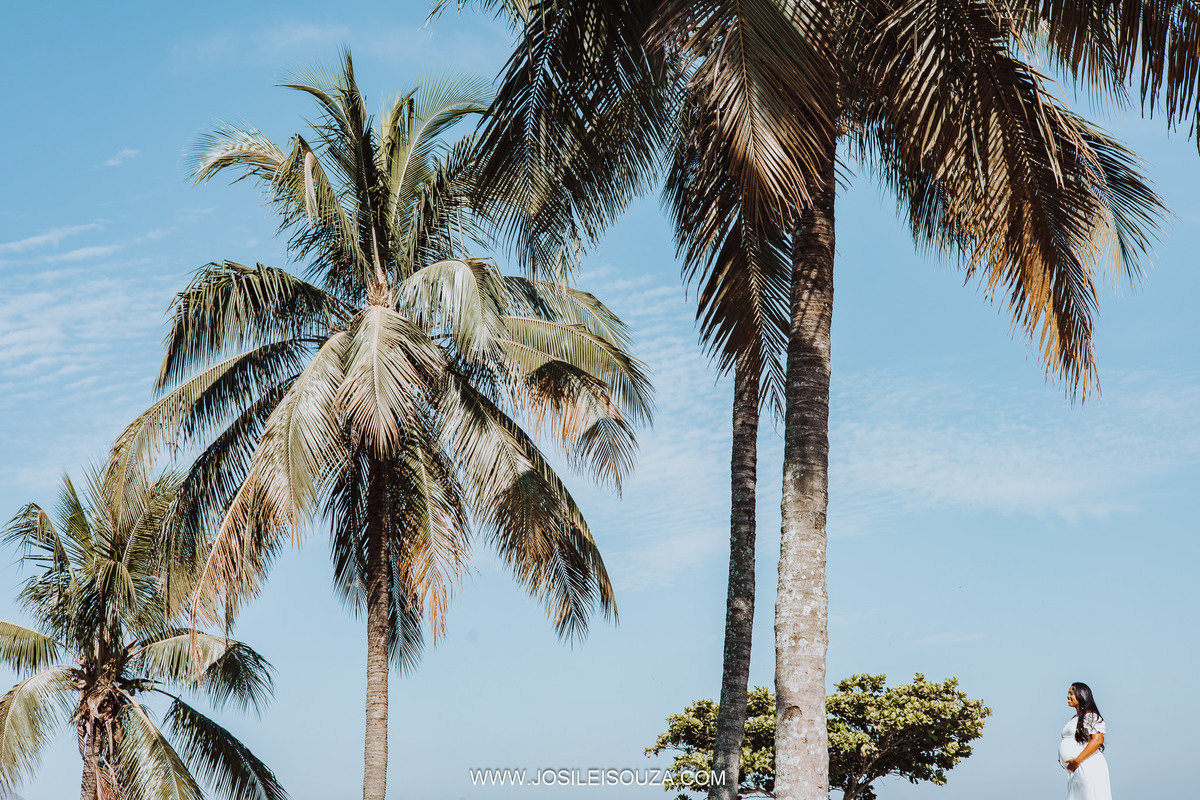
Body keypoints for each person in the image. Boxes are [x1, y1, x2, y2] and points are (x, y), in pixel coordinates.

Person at [1058, 682, 1111, 800]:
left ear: (1081, 695)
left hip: (1087, 765)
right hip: (1075, 769)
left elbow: (1097, 740)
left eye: (1071, 693)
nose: (1068, 696)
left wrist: (1077, 760)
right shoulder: (1075, 718)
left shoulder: (1091, 716)